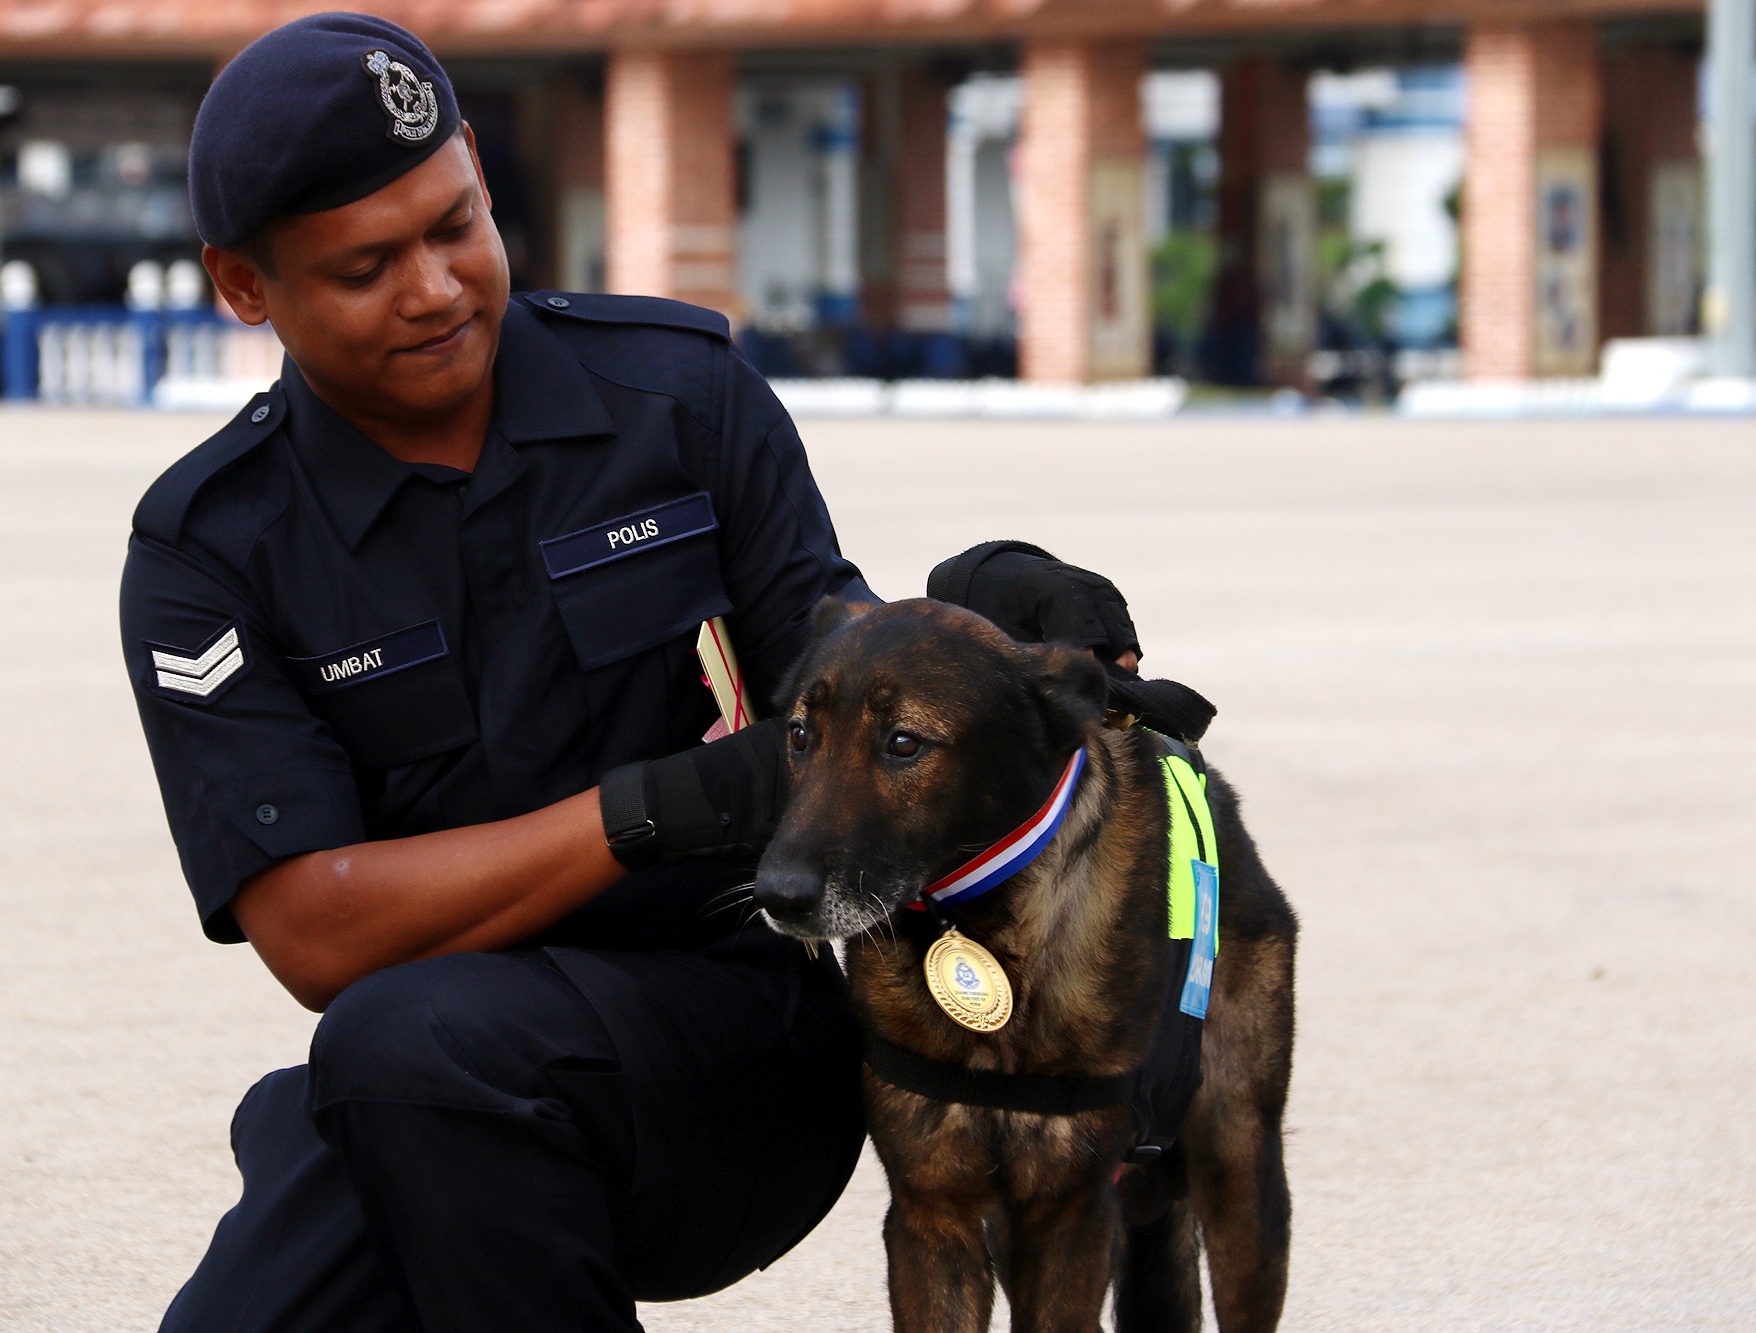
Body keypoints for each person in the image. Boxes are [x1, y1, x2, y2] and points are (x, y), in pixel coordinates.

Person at [121, 14, 1153, 1330]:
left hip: (732, 1060)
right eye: (367, 266)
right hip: (429, 1072)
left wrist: (989, 612)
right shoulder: (211, 551)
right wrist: (649, 810)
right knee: (336, 1153)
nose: (436, 286)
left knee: (393, 1060)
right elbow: (316, 928)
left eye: (456, 225)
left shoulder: (683, 397)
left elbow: (829, 644)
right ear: (246, 286)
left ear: (484, 173)